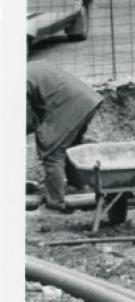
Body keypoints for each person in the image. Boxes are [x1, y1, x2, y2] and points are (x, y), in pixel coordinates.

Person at [27, 62, 105, 212]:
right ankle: (80, 188)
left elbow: (27, 119)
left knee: (51, 152)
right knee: (70, 149)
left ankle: (55, 205)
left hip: (68, 104)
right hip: (85, 100)